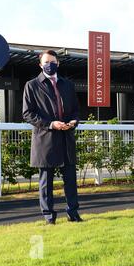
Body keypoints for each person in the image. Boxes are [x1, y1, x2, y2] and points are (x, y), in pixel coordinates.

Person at [23, 50, 82, 224]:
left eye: (53, 61)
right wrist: (50, 124)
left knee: (70, 180)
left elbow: (76, 110)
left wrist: (74, 121)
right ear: (40, 65)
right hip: (45, 140)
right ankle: (49, 217)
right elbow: (27, 114)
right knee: (46, 183)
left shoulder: (68, 85)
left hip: (66, 139)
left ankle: (74, 214)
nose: (50, 64)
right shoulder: (32, 85)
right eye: (47, 62)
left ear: (58, 63)